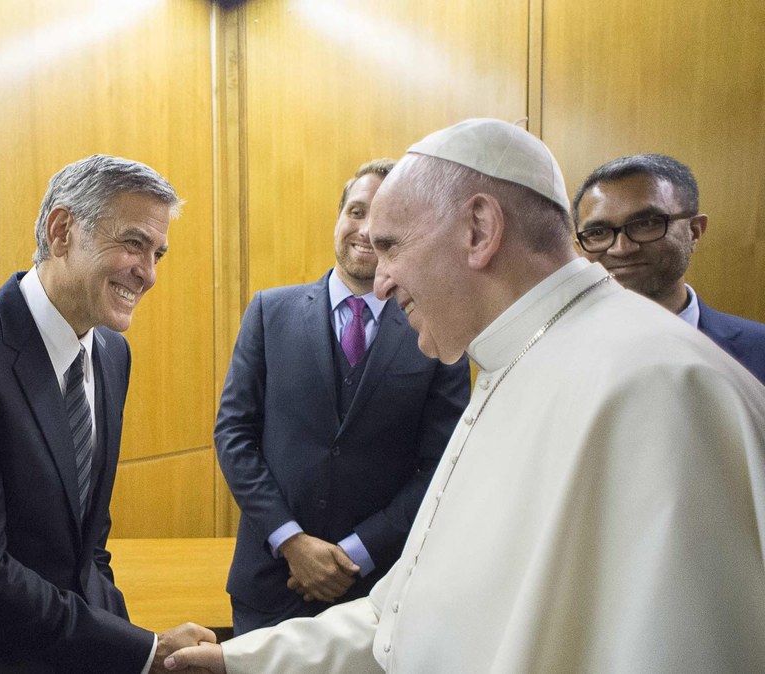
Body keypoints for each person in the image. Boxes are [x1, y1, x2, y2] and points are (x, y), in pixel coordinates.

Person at [165, 119, 765, 673]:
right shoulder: (513, 357)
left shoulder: (664, 389)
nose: (382, 279)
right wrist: (238, 660)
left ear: (479, 229)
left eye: (394, 246)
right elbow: (407, 614)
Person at [0, 154, 216, 673]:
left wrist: (126, 648)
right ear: (61, 231)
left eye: (158, 253)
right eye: (133, 243)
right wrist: (141, 651)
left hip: (56, 646)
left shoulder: (110, 353)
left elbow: (87, 547)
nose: (147, 274)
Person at [215, 159, 469, 633]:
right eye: (356, 211)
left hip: (380, 591)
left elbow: (445, 463)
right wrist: (291, 542)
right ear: (339, 217)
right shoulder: (270, 312)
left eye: (386, 219)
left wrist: (355, 554)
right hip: (271, 584)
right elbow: (234, 435)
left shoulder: (439, 328)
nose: (367, 229)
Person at [573, 153, 765, 383]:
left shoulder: (758, 348)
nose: (621, 248)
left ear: (694, 231)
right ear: (579, 247)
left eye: (646, 224)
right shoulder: (553, 350)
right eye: (598, 233)